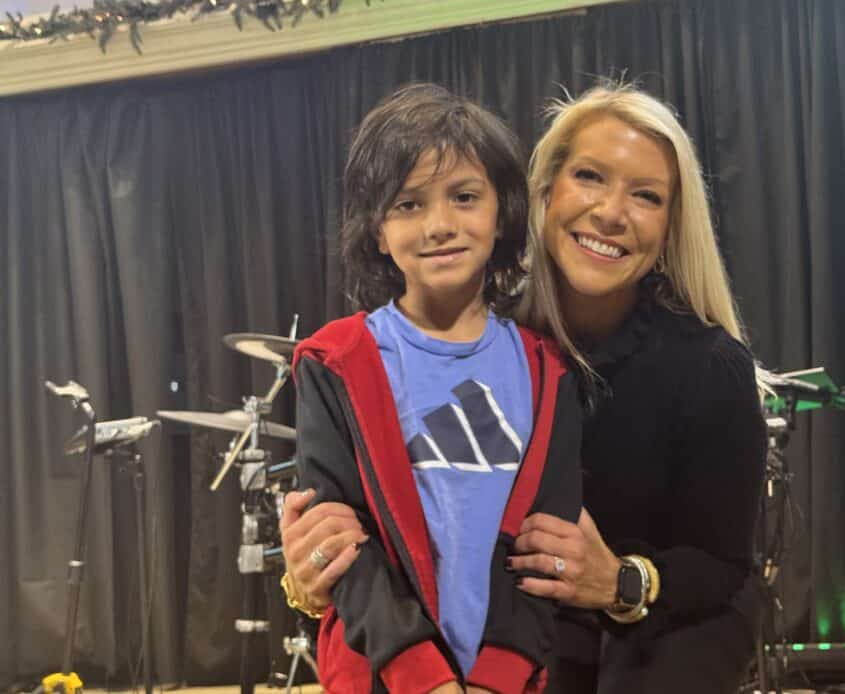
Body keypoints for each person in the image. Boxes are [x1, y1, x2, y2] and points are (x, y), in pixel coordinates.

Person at [282, 82, 765, 693]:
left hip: (652, 629)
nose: (611, 212)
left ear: (671, 225)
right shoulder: (476, 324)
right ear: (542, 192)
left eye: (646, 195)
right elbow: (372, 535)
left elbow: (722, 566)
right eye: (590, 177)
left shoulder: (705, 365)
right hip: (505, 633)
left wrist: (621, 582)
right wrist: (307, 578)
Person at [285, 82, 583, 694]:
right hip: (381, 680)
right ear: (376, 230)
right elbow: (342, 546)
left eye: (464, 197)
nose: (440, 225)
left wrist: (497, 678)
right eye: (408, 204)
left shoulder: (549, 370)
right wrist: (423, 678)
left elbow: (545, 546)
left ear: (501, 212)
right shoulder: (335, 362)